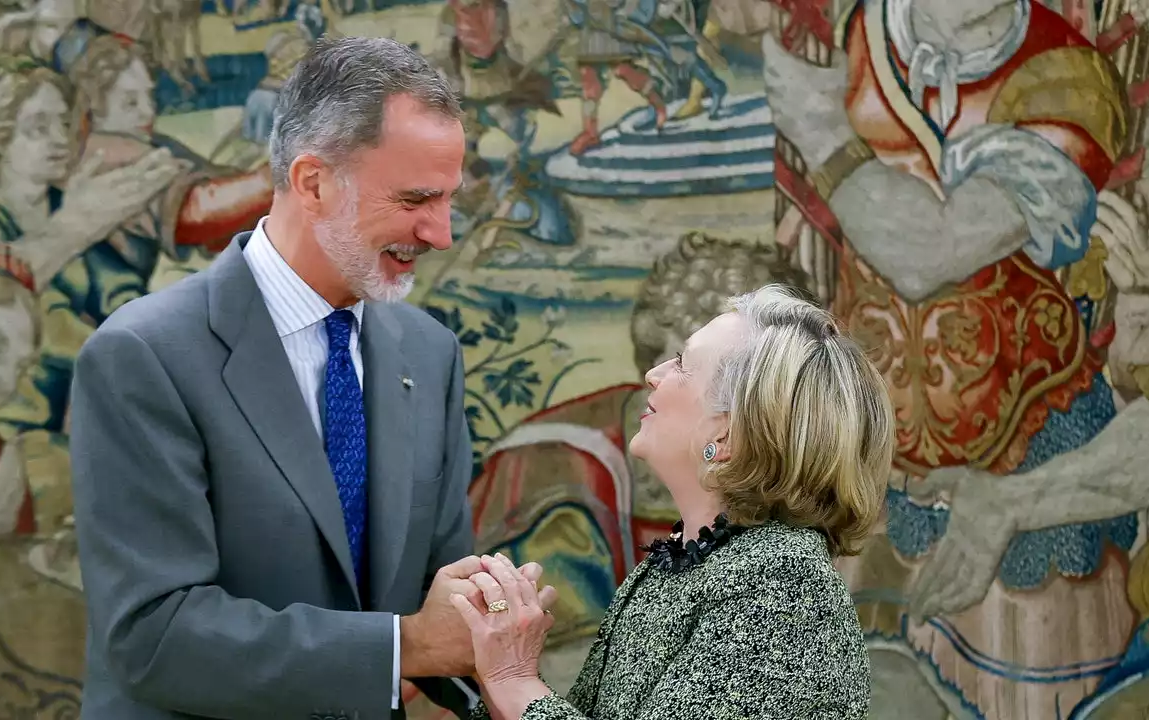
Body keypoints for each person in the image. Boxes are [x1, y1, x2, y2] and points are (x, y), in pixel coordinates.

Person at [69, 36, 533, 720]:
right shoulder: (142, 355)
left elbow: (442, 605)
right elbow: (153, 636)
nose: (442, 234)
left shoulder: (430, 353)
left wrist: (495, 637)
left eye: (448, 200)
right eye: (415, 200)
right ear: (314, 183)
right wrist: (404, 648)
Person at [451, 284, 894, 719]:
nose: (654, 373)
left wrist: (512, 677)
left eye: (683, 364)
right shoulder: (684, 562)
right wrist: (495, 652)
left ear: (726, 433)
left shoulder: (784, 586)